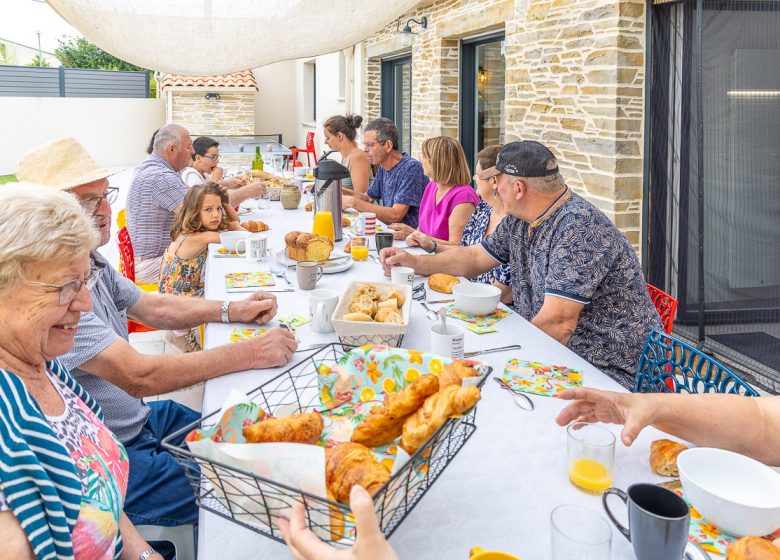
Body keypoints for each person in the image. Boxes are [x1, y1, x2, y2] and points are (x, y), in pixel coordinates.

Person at [14, 137, 298, 535]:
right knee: (253, 481)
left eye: (104, 196)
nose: (104, 211)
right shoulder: (49, 297)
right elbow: (139, 375)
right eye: (86, 202)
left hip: (140, 421)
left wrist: (230, 309)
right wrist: (251, 353)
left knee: (253, 432)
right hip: (116, 456)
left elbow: (153, 308)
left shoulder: (89, 263)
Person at [380, 141, 662, 388]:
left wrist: (505, 364)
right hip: (560, 353)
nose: (493, 188)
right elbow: (475, 257)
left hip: (609, 369)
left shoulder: (578, 226)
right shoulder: (522, 218)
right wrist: (415, 262)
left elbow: (559, 323)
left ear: (518, 188)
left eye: (497, 181)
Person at [0, 184, 164, 560]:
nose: (85, 302)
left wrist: (144, 555)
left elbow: (97, 482)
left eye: (84, 281)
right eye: (66, 287)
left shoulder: (47, 364)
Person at [406, 145, 512, 304]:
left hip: (487, 305)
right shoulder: (483, 209)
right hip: (464, 291)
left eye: (477, 175)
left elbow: (503, 294)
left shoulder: (514, 224)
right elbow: (464, 252)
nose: (474, 179)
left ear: (494, 180)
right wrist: (432, 246)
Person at [127, 123, 195, 284]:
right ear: (172, 149)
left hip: (143, 259)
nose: (192, 152)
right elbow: (200, 212)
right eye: (189, 147)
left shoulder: (150, 167)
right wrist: (245, 193)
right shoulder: (160, 176)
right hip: (151, 264)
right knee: (211, 262)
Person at [389, 136, 478, 245]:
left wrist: (414, 235)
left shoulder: (464, 198)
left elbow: (456, 246)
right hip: (426, 257)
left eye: (424, 156)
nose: (421, 159)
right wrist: (413, 235)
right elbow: (422, 230)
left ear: (437, 161)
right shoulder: (432, 187)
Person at [159, 182, 243, 298]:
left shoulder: (189, 231)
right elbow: (241, 239)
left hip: (174, 296)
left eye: (219, 208)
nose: (216, 215)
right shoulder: (200, 237)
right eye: (208, 209)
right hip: (181, 301)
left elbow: (235, 223)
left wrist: (226, 203)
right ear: (194, 211)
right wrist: (237, 227)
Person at [342, 118, 426, 228]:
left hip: (408, 240)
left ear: (388, 146)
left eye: (370, 145)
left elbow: (396, 215)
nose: (365, 150)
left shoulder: (411, 168)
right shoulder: (383, 167)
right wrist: (340, 191)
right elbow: (367, 198)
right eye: (365, 145)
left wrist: (353, 202)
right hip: (389, 233)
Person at [180, 136, 267, 205]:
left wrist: (230, 183)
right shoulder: (191, 175)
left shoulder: (203, 174)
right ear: (198, 158)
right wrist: (246, 191)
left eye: (217, 157)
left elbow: (209, 187)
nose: (217, 161)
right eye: (213, 157)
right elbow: (204, 202)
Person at [323, 114, 372, 195]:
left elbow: (362, 197)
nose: (325, 142)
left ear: (339, 136)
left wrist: (331, 190)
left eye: (328, 138)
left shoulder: (357, 157)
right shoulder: (346, 157)